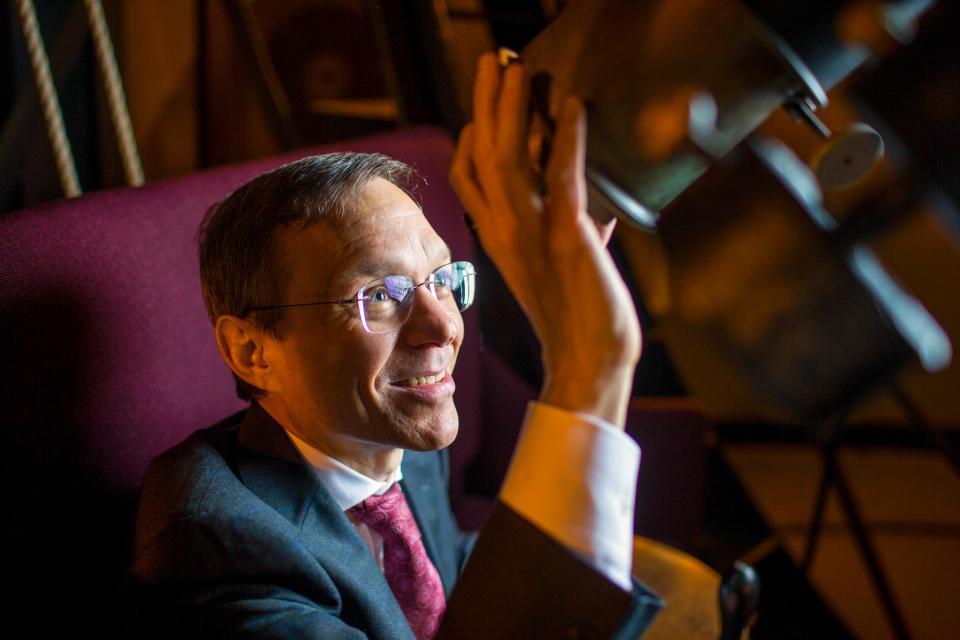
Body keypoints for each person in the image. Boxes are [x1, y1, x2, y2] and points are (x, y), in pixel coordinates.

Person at [133, 53, 660, 638]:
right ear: (252, 351)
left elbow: (443, 583)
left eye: (441, 280)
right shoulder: (216, 545)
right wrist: (590, 365)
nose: (442, 326)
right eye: (380, 294)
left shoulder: (386, 425)